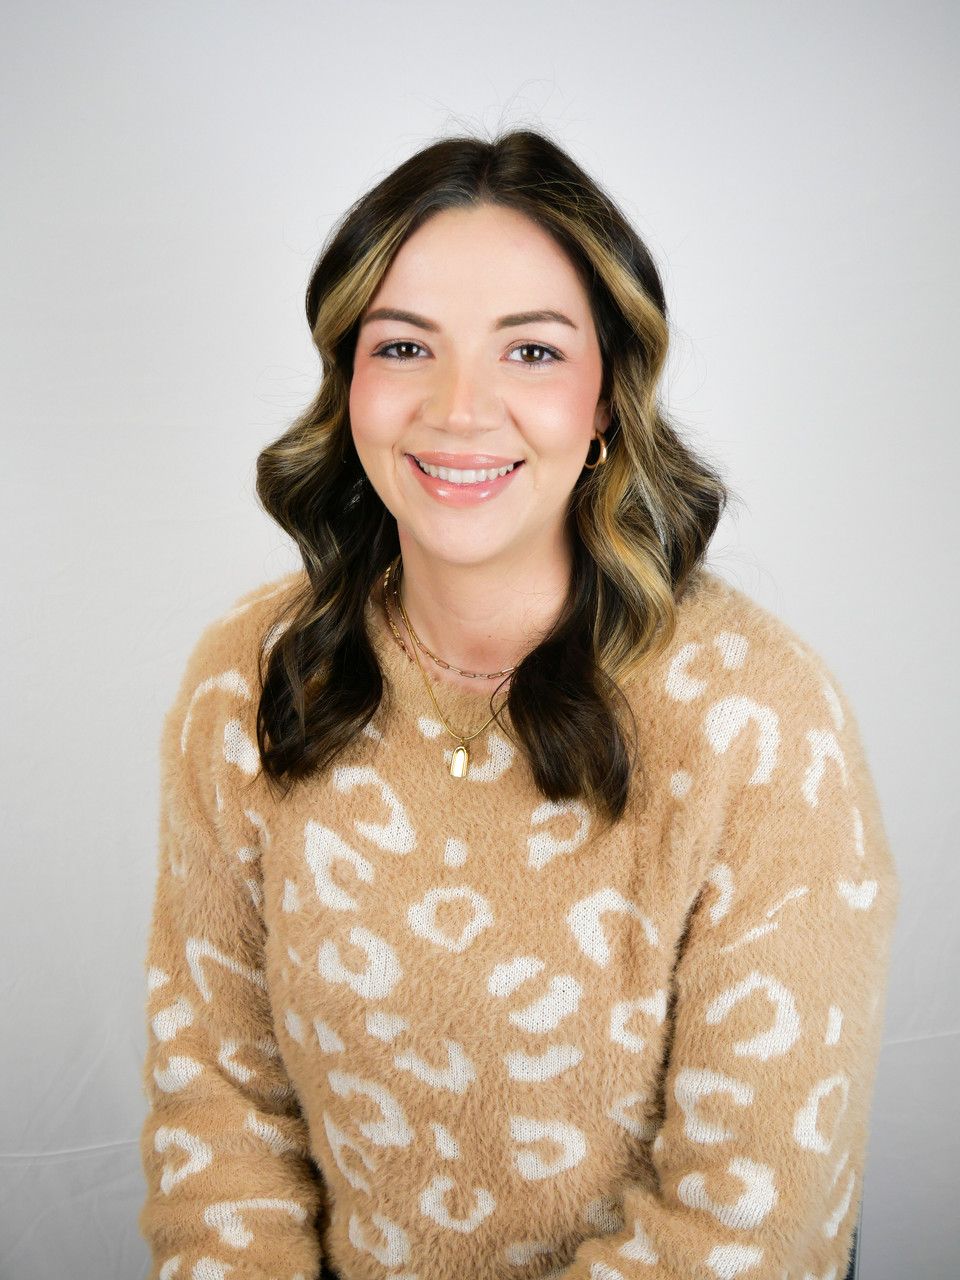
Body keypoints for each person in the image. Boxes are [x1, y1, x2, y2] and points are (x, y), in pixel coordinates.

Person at [137, 128, 899, 1280]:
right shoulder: (249, 675)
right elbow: (219, 1116)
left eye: (532, 352)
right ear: (352, 383)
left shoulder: (761, 719)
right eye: (405, 346)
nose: (459, 408)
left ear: (606, 399)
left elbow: (751, 1226)